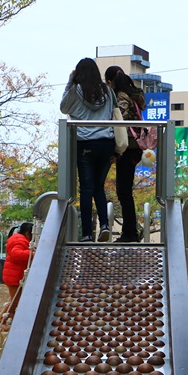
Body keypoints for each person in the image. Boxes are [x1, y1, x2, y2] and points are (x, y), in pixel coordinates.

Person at [60, 57, 116, 242]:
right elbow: (113, 111)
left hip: (84, 142)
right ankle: (105, 225)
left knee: (86, 189)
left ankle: (86, 234)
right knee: (98, 187)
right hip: (106, 142)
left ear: (78, 73)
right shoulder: (107, 91)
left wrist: (70, 81)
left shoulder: (75, 91)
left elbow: (63, 108)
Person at [105, 66, 146, 243]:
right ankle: (130, 232)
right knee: (125, 191)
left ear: (111, 81)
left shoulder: (121, 96)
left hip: (128, 147)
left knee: (124, 192)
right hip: (136, 147)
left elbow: (119, 120)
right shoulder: (134, 96)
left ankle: (130, 233)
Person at [0, 222, 34, 331]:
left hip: (14, 275)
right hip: (14, 276)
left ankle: (9, 319)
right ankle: (1, 321)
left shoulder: (19, 240)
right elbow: (16, 254)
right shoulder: (19, 241)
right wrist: (33, 253)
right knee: (15, 301)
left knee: (17, 300)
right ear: (27, 234)